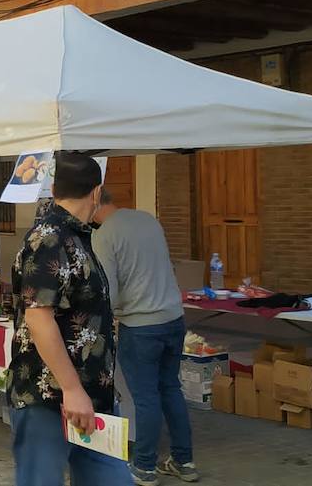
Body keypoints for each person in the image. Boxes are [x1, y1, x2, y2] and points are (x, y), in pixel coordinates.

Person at [5, 152, 126, 486]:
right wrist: (72, 390)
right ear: (96, 191)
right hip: (50, 398)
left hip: (90, 399)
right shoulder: (50, 238)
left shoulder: (75, 236)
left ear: (56, 188)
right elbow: (38, 318)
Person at [92, 190, 197, 485]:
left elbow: (107, 290)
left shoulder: (104, 236)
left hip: (140, 325)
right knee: (170, 389)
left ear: (93, 201)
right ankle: (184, 460)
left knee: (146, 397)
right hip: (172, 318)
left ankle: (145, 466)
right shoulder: (148, 220)